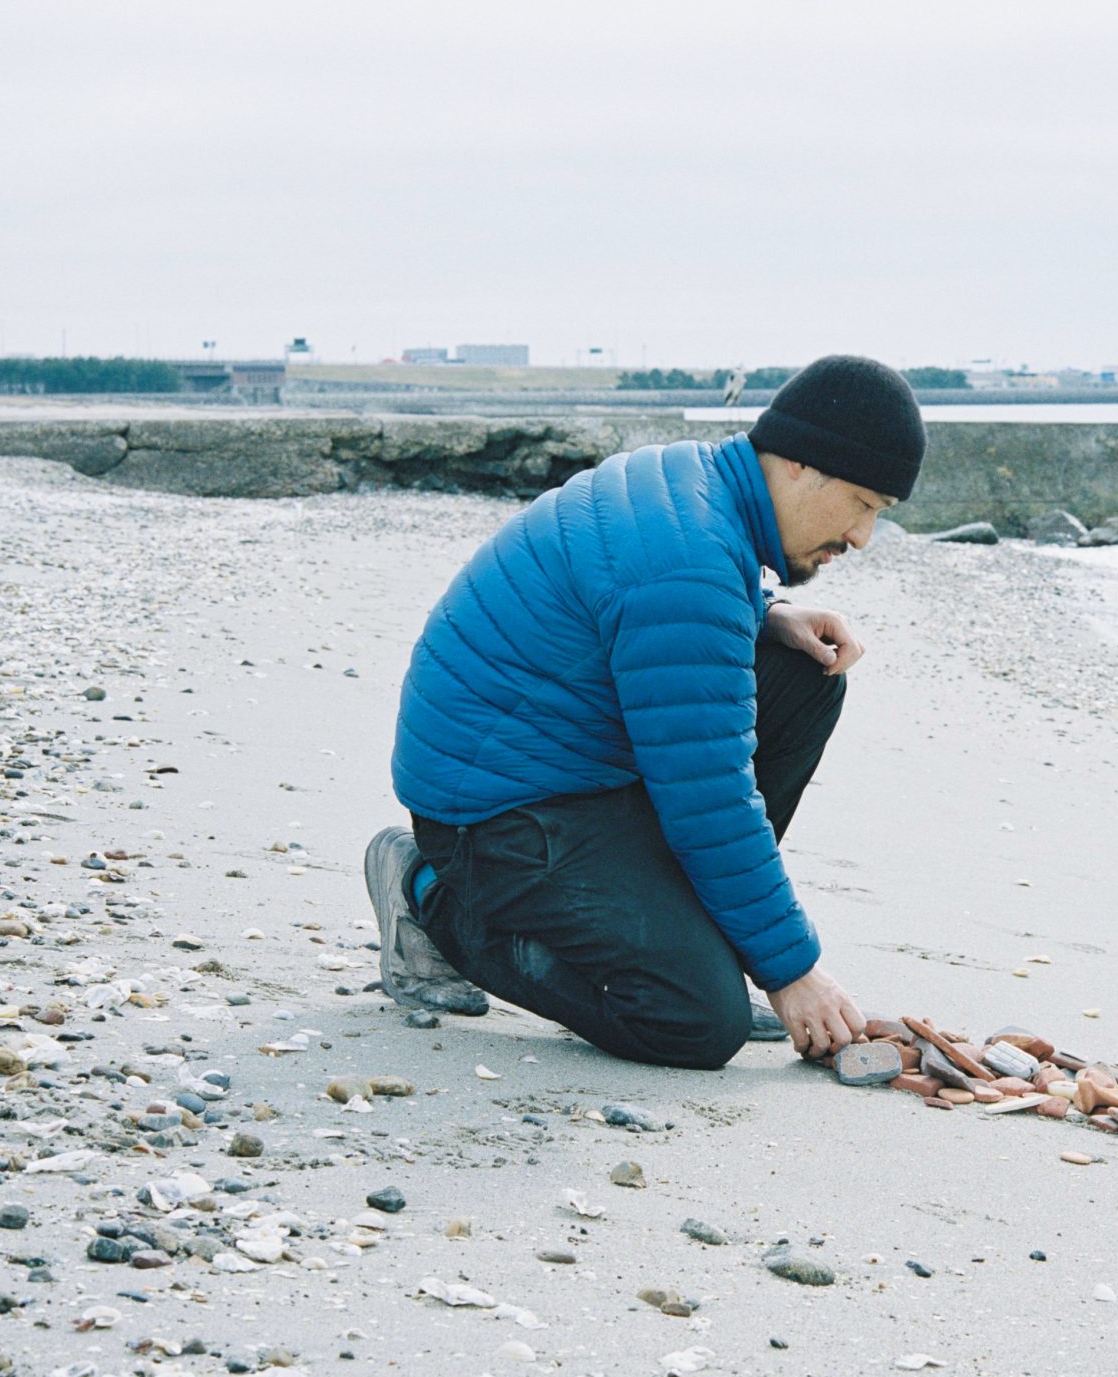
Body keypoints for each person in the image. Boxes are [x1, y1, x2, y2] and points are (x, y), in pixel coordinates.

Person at [363, 355, 925, 1071]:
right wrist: (791, 971)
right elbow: (708, 794)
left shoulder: (701, 483)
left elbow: (647, 609)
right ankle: (426, 894)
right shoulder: (688, 562)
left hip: (557, 762)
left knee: (804, 678)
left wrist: (764, 613)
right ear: (796, 466)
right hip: (490, 815)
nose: (862, 537)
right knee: (693, 1020)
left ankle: (689, 937)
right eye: (862, 503)